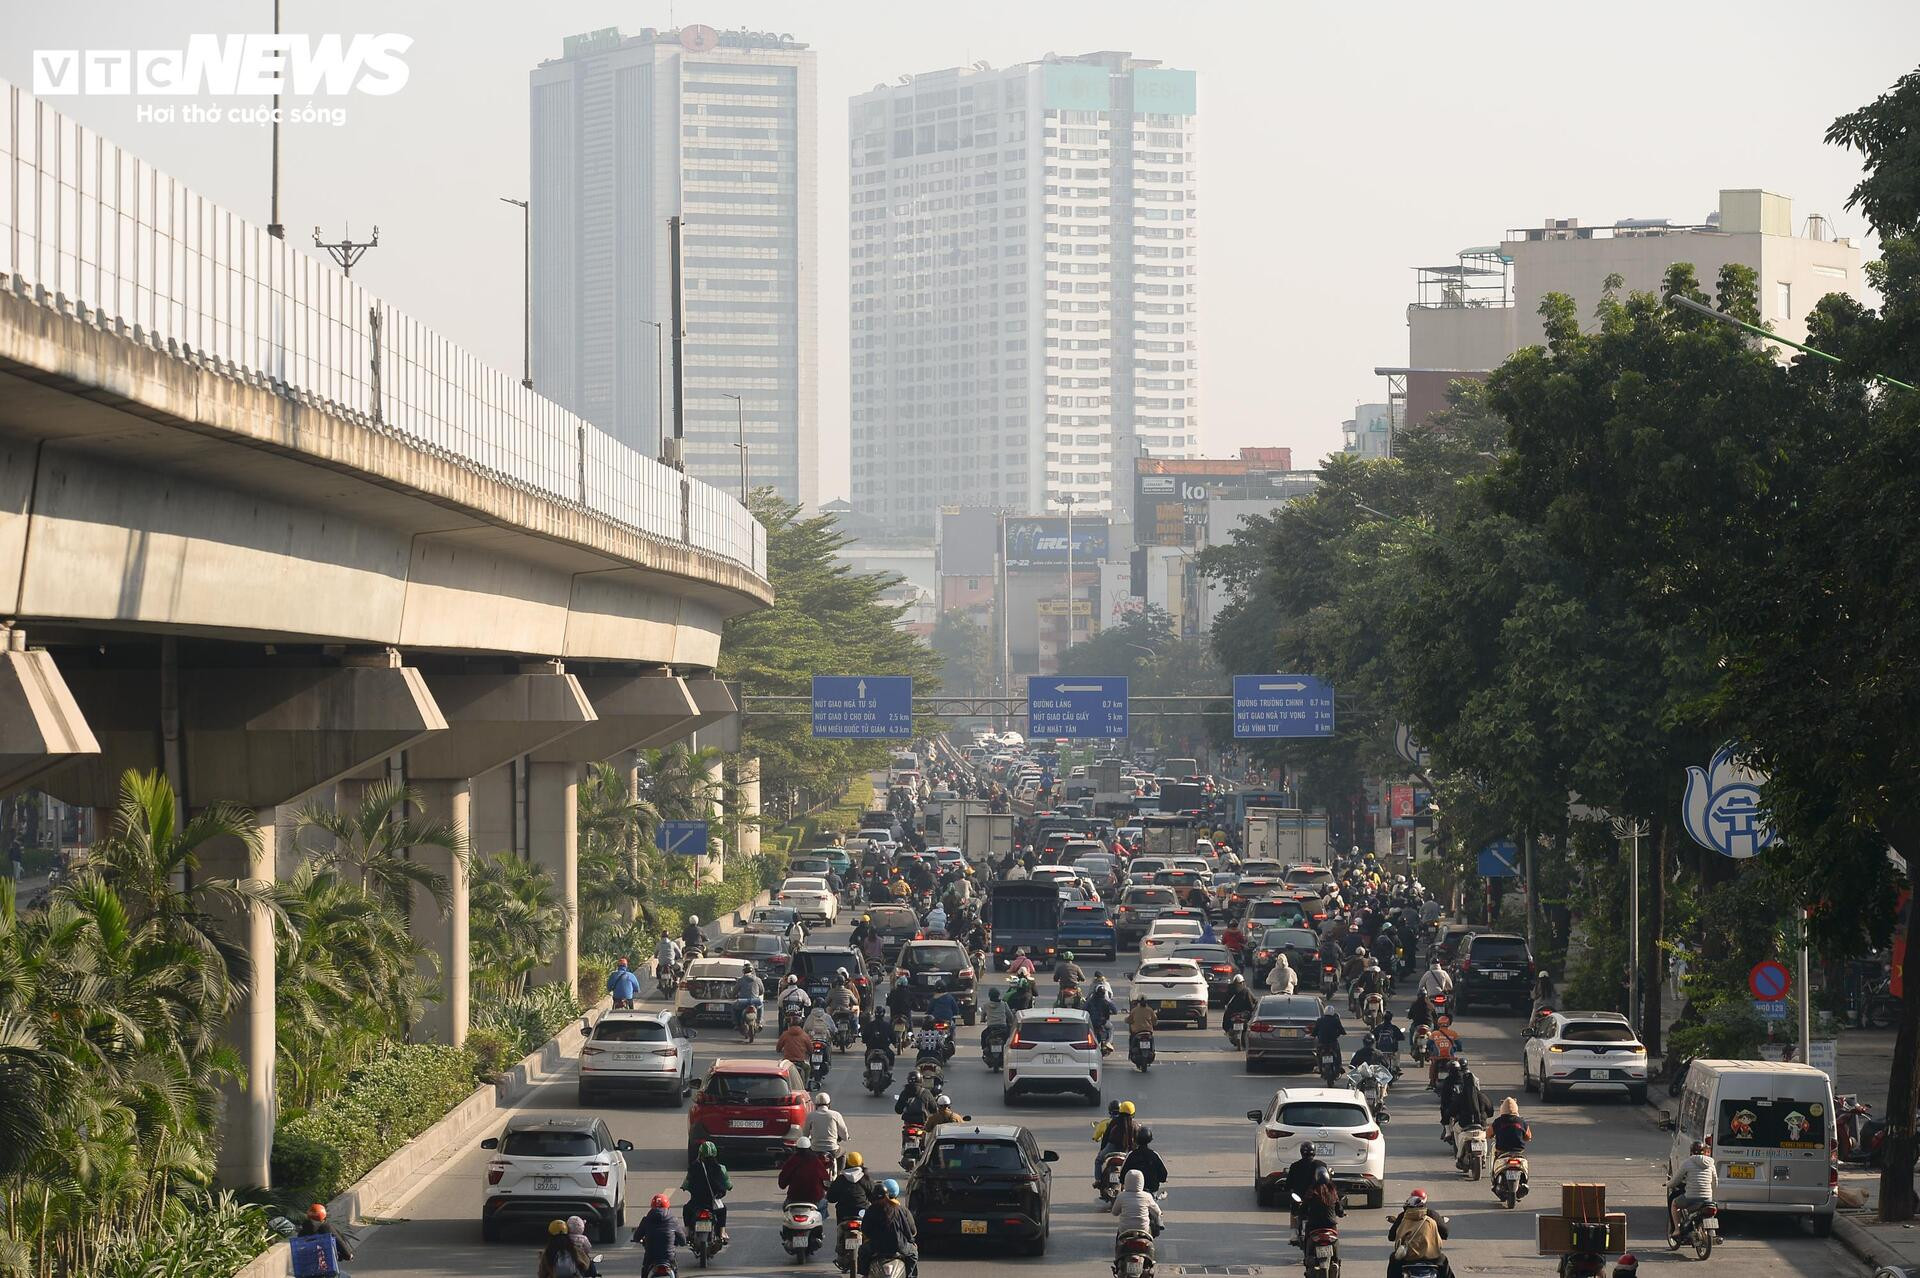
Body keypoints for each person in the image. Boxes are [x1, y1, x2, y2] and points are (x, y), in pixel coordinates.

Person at [1385, 1189, 1452, 1278]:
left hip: (1408, 1259)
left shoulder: (1403, 1219)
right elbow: (1445, 1234)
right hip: (1432, 1258)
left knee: (1393, 1260)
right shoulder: (1431, 1218)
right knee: (1444, 1263)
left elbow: (1392, 1237)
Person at [860, 1179, 919, 1278]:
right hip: (899, 1247)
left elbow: (865, 1230)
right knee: (913, 1254)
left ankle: (865, 1275)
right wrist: (910, 1241)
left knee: (862, 1251)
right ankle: (910, 1276)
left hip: (876, 1247)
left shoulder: (871, 1210)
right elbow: (909, 1230)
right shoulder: (899, 1209)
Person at [1667, 1139, 1717, 1242]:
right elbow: (1715, 1183)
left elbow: (1676, 1180)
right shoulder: (1711, 1163)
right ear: (1704, 1151)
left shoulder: (1687, 1162)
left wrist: (1668, 1184)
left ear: (1691, 1151)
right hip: (1708, 1198)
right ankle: (1710, 1232)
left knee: (1674, 1204)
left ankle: (1676, 1230)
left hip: (1691, 1197)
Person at [682, 1141, 733, 1241]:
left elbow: (686, 1184)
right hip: (712, 1204)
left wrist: (685, 1187)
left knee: (686, 1209)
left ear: (700, 1154)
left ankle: (687, 1232)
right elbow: (728, 1185)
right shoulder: (721, 1168)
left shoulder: (693, 1167)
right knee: (723, 1211)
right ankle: (722, 1233)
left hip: (696, 1203)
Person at [1109, 1168, 1165, 1251]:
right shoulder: (1147, 1196)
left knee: (1119, 1240)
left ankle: (1118, 1253)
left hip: (1125, 1229)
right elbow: (1157, 1212)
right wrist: (1160, 1214)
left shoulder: (1121, 1196)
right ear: (1141, 1181)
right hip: (1143, 1229)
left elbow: (1114, 1212)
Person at [1282, 1140, 1329, 1237]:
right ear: (1314, 1152)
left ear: (1301, 1152)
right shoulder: (1321, 1165)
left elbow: (1288, 1185)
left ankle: (1293, 1234)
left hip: (1300, 1198)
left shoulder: (1295, 1166)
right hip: (1317, 1198)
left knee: (1293, 1210)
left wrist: (1286, 1189)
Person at [826, 1152, 874, 1241]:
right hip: (861, 1212)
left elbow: (831, 1198)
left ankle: (840, 1241)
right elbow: (873, 1196)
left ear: (847, 1163)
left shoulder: (841, 1179)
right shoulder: (865, 1179)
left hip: (844, 1213)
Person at [779, 1135, 834, 1210]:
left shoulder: (792, 1161)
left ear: (796, 1148)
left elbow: (782, 1184)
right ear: (810, 1148)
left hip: (794, 1199)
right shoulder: (816, 1162)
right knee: (823, 1206)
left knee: (785, 1209)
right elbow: (826, 1181)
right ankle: (821, 1221)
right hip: (815, 1200)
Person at [631, 1192, 685, 1267]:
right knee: (675, 1269)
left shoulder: (646, 1220)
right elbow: (683, 1241)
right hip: (669, 1257)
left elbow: (636, 1237)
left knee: (645, 1268)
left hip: (651, 1257)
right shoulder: (673, 1220)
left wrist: (639, 1239)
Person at [1095, 1099, 1139, 1186]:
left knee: (1098, 1161)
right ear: (1133, 1114)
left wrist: (1102, 1150)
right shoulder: (1135, 1125)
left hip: (1112, 1147)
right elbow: (1138, 1142)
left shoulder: (1114, 1122)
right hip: (1128, 1151)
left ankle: (1098, 1181)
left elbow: (1106, 1138)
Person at [1119, 1125, 1168, 1194]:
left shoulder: (1131, 1155)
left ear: (1136, 1139)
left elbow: (1122, 1175)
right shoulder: (1154, 1155)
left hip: (1132, 1191)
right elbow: (1163, 1175)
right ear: (1150, 1140)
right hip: (1151, 1190)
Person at [807, 1092, 851, 1167]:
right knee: (843, 1152)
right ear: (829, 1104)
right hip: (833, 1150)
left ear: (816, 1105)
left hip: (815, 1150)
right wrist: (846, 1138)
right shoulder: (836, 1115)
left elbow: (805, 1134)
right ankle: (839, 1173)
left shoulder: (811, 1116)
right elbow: (843, 1131)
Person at [1310, 1004, 1346, 1075]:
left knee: (1318, 1054)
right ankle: (1339, 1067)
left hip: (1322, 1043)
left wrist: (1313, 1035)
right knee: (1338, 1054)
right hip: (1332, 1043)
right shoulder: (1335, 1020)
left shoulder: (1319, 1020)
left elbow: (1314, 1032)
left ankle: (1319, 1067)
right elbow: (1342, 1030)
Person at [1426, 1014, 1460, 1088]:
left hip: (1437, 1058)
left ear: (1438, 1024)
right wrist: (1458, 1049)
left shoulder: (1434, 1034)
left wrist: (1430, 1051)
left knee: (1433, 1066)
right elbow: (1459, 1044)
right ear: (1448, 1024)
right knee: (1456, 1068)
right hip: (1450, 1057)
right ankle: (1457, 1082)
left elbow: (1428, 1044)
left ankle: (1431, 1083)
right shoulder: (1453, 1033)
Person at [778, 1018, 814, 1086]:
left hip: (787, 1062)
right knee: (808, 1068)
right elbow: (811, 1049)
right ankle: (805, 1085)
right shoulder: (804, 1035)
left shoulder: (785, 1034)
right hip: (800, 1062)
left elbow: (778, 1048)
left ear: (790, 1024)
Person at [1088, 973, 1118, 1049]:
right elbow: (1115, 1011)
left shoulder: (1091, 1001)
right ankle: (1108, 1042)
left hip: (1093, 1022)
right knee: (1111, 1028)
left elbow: (1083, 1008)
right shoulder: (1106, 1001)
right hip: (1103, 1021)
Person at [733, 965, 765, 1033]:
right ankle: (759, 1022)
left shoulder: (741, 980)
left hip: (743, 1001)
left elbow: (735, 991)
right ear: (752, 971)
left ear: (743, 971)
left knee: (734, 1007)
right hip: (755, 1001)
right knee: (761, 1006)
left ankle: (736, 1024)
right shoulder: (758, 979)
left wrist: (733, 995)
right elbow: (762, 991)